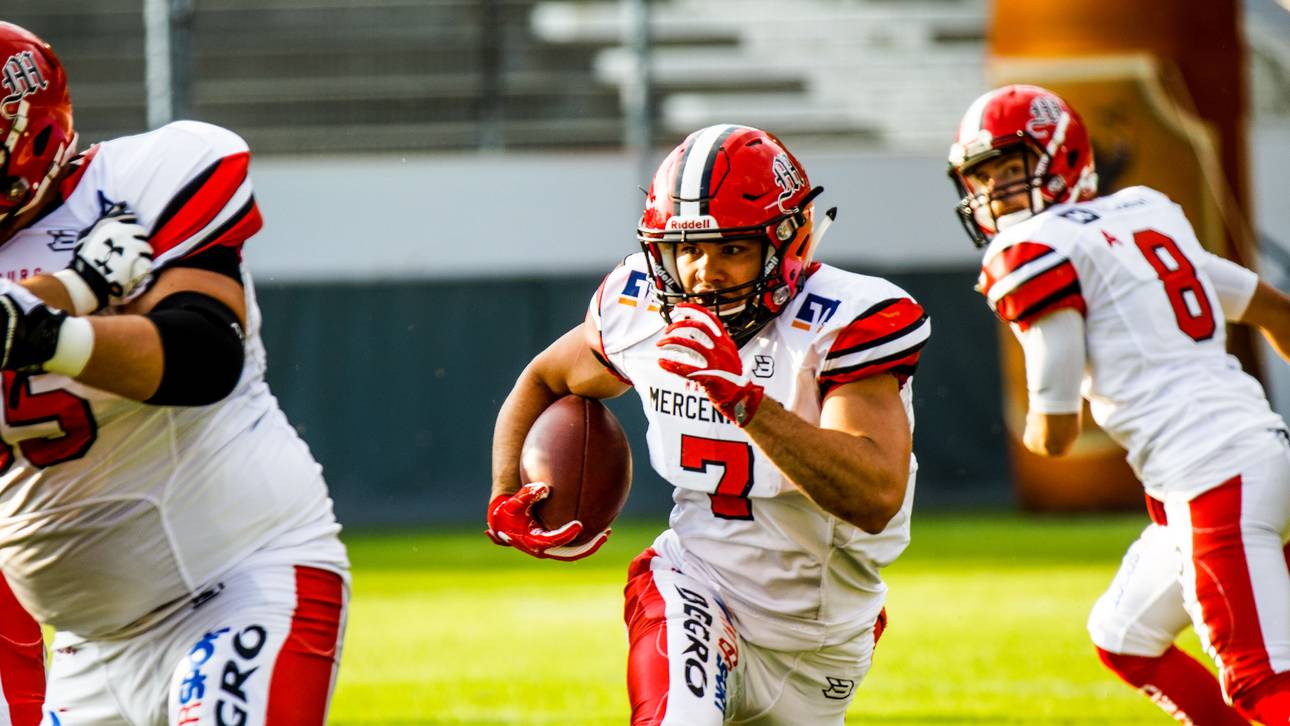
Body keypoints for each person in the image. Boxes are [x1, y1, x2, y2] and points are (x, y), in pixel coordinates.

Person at [489, 123, 930, 724]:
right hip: (697, 585)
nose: (704, 273)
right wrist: (506, 493)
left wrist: (744, 400)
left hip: (827, 635)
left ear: (790, 244)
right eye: (687, 249)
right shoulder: (641, 309)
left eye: (732, 249)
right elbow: (544, 379)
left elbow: (873, 494)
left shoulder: (845, 320)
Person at [0, 22, 349, 724]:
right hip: (88, 647)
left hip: (240, 582)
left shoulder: (141, 179)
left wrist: (48, 332)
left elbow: (199, 355)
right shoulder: (105, 237)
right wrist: (82, 286)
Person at [948, 83, 1290, 723]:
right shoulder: (1140, 213)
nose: (993, 192)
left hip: (1212, 473)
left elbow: (1055, 433)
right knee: (1124, 635)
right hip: (1247, 458)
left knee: (1261, 682)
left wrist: (1036, 425)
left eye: (1009, 169)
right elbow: (1274, 312)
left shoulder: (1034, 252)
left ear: (1063, 157)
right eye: (982, 176)